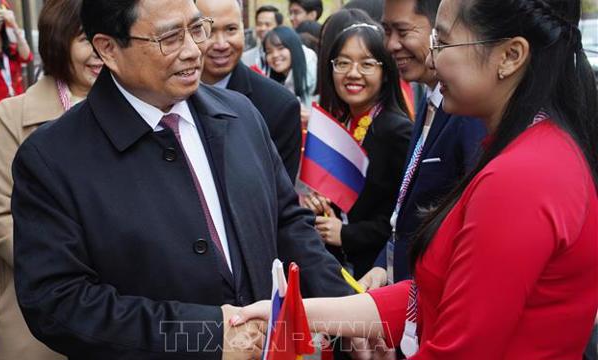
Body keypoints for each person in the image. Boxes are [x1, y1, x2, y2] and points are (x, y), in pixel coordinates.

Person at [236, 0, 598, 358]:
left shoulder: (521, 178)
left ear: (510, 55)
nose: (430, 59)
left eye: (441, 42)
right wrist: (293, 314)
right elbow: (431, 297)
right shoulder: (532, 150)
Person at [10, 0, 352, 358]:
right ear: (108, 48)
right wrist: (204, 334)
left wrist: (353, 312)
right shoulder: (53, 158)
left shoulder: (240, 116)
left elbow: (287, 224)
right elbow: (58, 304)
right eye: (170, 38)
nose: (193, 51)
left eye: (196, 28)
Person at [0, 0, 102, 358]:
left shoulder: (140, 110)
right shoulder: (15, 115)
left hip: (120, 310)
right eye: (85, 40)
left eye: (106, 39)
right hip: (35, 308)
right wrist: (75, 266)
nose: (98, 53)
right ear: (59, 41)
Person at [358, 0, 486, 289]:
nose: (391, 45)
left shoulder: (469, 116)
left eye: (402, 32)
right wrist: (382, 267)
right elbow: (405, 215)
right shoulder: (427, 101)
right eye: (386, 31)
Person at [301, 21, 412, 279]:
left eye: (367, 64)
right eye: (342, 63)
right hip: (338, 267)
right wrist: (322, 204)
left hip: (376, 275)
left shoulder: (397, 132)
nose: (353, 73)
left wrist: (345, 234)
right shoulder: (343, 123)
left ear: (385, 72)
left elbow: (404, 219)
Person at [195, 0, 302, 183]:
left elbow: (279, 199)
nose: (221, 44)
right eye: (208, 31)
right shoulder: (168, 97)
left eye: (231, 29)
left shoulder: (279, 106)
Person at [264, 26, 317, 109]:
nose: (275, 55)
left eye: (281, 48)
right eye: (269, 52)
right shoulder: (280, 80)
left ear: (294, 48)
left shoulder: (313, 77)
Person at [241, 5, 283, 74]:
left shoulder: (286, 56)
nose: (262, 28)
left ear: (279, 27)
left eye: (268, 24)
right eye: (259, 24)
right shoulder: (245, 58)